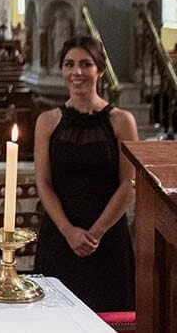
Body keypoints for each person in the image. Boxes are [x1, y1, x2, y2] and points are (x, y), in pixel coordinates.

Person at [33, 36, 137, 312]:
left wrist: (96, 233)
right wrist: (68, 231)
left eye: (85, 64)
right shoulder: (47, 121)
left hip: (107, 234)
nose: (76, 72)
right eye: (69, 64)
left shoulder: (122, 121)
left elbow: (129, 184)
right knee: (54, 320)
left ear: (100, 70)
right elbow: (43, 182)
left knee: (110, 317)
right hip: (60, 233)